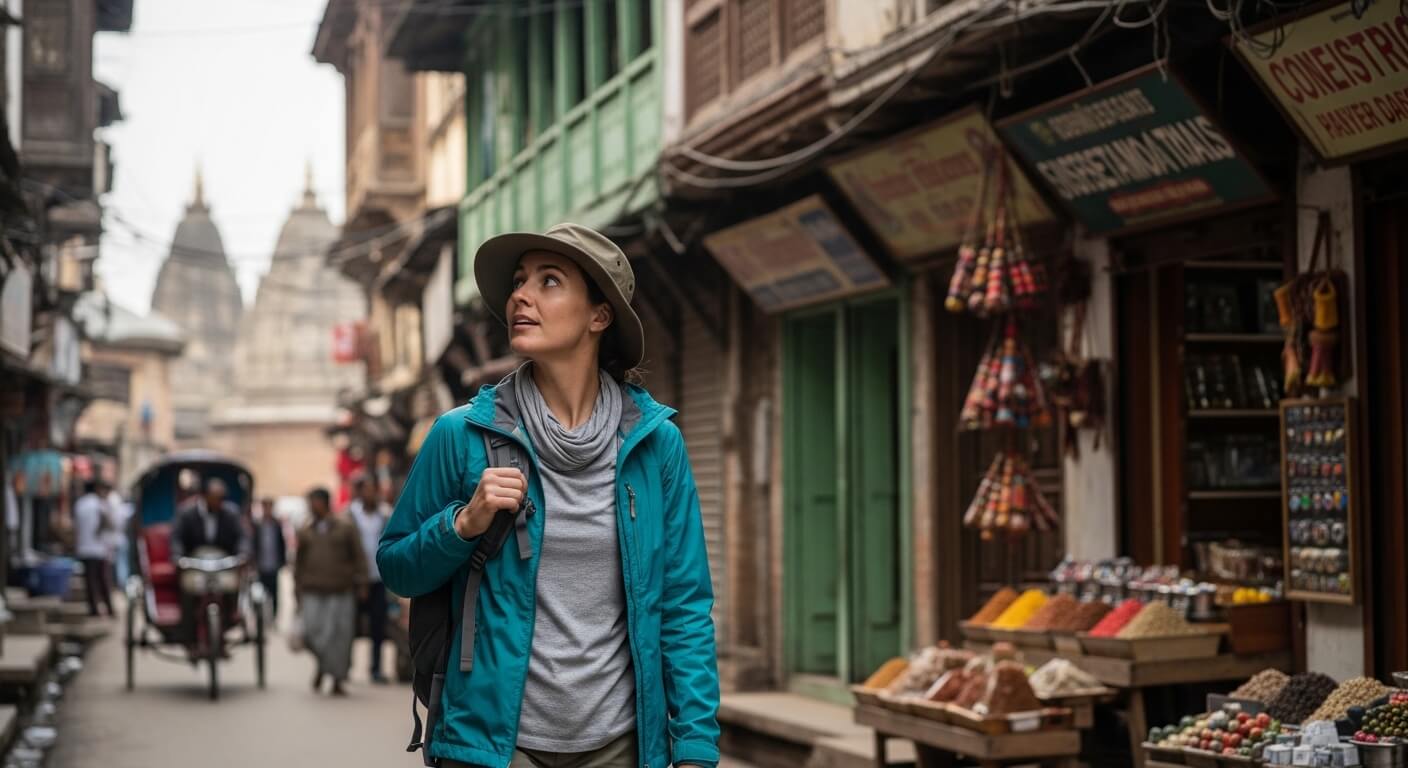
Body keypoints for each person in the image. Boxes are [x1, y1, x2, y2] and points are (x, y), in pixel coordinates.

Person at [379, 223, 720, 768]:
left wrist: (697, 748)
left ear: (598, 315)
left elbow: (684, 607)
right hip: (495, 745)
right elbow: (397, 567)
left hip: (621, 745)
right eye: (519, 281)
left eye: (550, 281)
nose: (521, 295)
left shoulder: (657, 447)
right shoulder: (462, 435)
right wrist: (462, 524)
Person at [295, 487, 367, 697]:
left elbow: (359, 555)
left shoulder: (345, 527)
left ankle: (336, 679)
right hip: (312, 590)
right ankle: (322, 664)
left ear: (324, 503)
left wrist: (362, 582)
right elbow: (298, 562)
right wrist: (296, 587)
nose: (311, 506)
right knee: (310, 634)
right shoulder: (306, 529)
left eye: (313, 502)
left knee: (340, 638)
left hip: (341, 590)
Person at [347, 475, 390, 684]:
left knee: (377, 626)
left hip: (378, 579)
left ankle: (376, 668)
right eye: (366, 489)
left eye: (373, 489)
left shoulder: (384, 515)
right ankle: (345, 667)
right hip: (354, 580)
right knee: (350, 625)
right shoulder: (350, 515)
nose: (369, 493)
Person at [170, 477, 246, 561]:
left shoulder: (232, 513)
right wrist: (178, 555)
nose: (219, 502)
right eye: (215, 498)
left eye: (221, 498)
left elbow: (242, 536)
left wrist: (243, 553)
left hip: (224, 560)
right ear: (204, 496)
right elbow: (177, 537)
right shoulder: (186, 513)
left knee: (230, 575)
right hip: (194, 560)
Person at [73, 480, 115, 617]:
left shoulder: (79, 504)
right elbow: (108, 523)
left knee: (90, 581)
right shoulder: (99, 504)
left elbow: (76, 527)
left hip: (84, 548)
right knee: (103, 579)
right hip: (99, 548)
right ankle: (109, 608)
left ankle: (94, 609)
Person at [254, 497, 287, 621]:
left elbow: (281, 544)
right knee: (260, 592)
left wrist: (282, 561)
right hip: (261, 564)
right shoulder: (257, 524)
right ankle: (261, 617)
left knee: (274, 592)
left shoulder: (276, 524)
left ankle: (273, 616)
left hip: (273, 564)